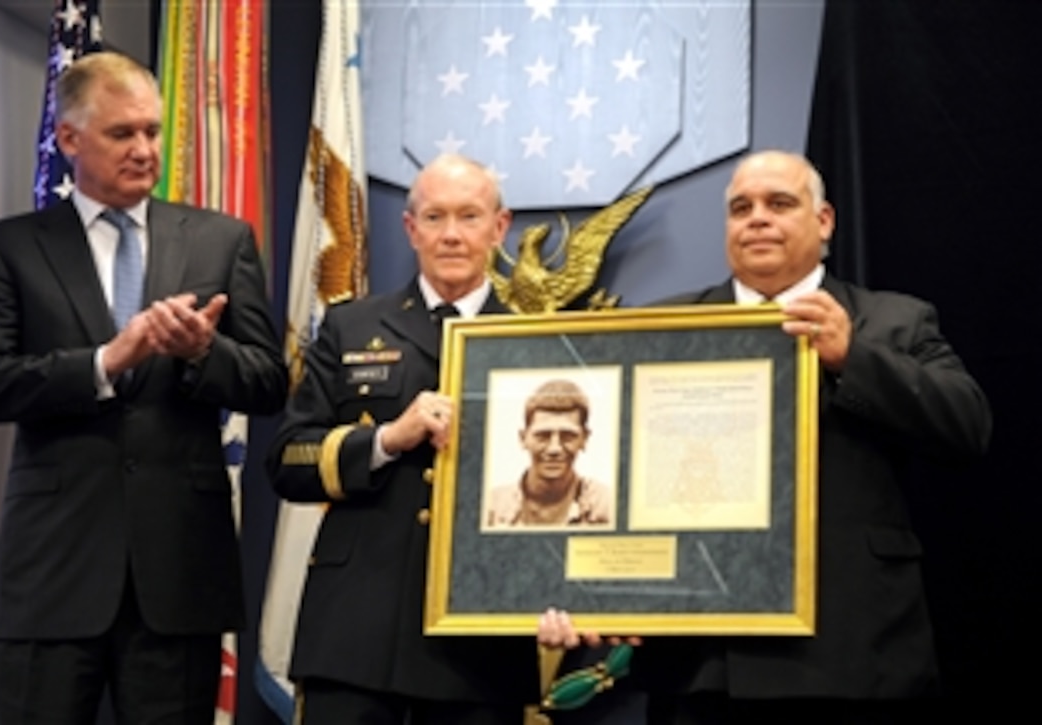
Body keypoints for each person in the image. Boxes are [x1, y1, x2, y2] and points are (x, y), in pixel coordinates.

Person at [538, 150, 992, 723]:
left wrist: (853, 358)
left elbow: (968, 426)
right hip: (700, 660)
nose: (757, 218)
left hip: (850, 651)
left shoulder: (892, 321)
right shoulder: (662, 326)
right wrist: (599, 590)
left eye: (779, 204)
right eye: (740, 208)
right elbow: (610, 470)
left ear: (823, 221)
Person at [0, 52, 287, 723]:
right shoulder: (10, 248)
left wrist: (203, 351)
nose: (145, 149)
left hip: (179, 576)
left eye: (153, 131)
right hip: (53, 573)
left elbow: (268, 381)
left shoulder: (220, 241)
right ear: (70, 139)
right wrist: (106, 360)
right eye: (122, 134)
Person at [266, 154, 540, 724]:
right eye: (435, 218)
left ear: (500, 226)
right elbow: (288, 459)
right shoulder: (351, 326)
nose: (452, 235)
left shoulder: (537, 342)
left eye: (469, 216)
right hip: (357, 630)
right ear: (410, 229)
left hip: (479, 641)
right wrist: (388, 439)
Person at [485, 378, 613, 527]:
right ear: (523, 438)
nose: (555, 449)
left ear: (584, 439)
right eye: (543, 436)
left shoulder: (608, 507)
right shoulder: (491, 508)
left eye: (567, 436)